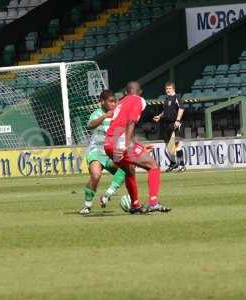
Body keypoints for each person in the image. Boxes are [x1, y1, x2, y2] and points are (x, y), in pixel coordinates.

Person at [104, 81, 171, 214]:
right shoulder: (139, 100)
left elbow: (119, 125)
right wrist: (127, 145)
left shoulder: (121, 102)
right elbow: (131, 122)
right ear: (140, 92)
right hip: (120, 143)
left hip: (108, 143)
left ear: (125, 92)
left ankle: (135, 204)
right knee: (153, 166)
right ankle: (153, 202)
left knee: (129, 171)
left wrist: (135, 146)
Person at [79, 89, 126, 215]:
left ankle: (107, 195)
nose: (113, 104)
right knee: (96, 175)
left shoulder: (117, 115)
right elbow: (90, 125)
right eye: (111, 101)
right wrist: (105, 116)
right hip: (96, 151)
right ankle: (87, 206)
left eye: (114, 101)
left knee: (126, 169)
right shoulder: (97, 114)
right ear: (102, 102)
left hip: (111, 152)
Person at [153, 82, 186, 172]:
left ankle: (182, 165)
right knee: (168, 147)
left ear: (173, 89)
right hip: (167, 124)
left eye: (169, 88)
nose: (167, 90)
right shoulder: (167, 99)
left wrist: (178, 120)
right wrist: (159, 116)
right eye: (166, 89)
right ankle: (173, 163)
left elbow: (181, 108)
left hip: (176, 124)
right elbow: (165, 111)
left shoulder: (177, 98)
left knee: (177, 145)